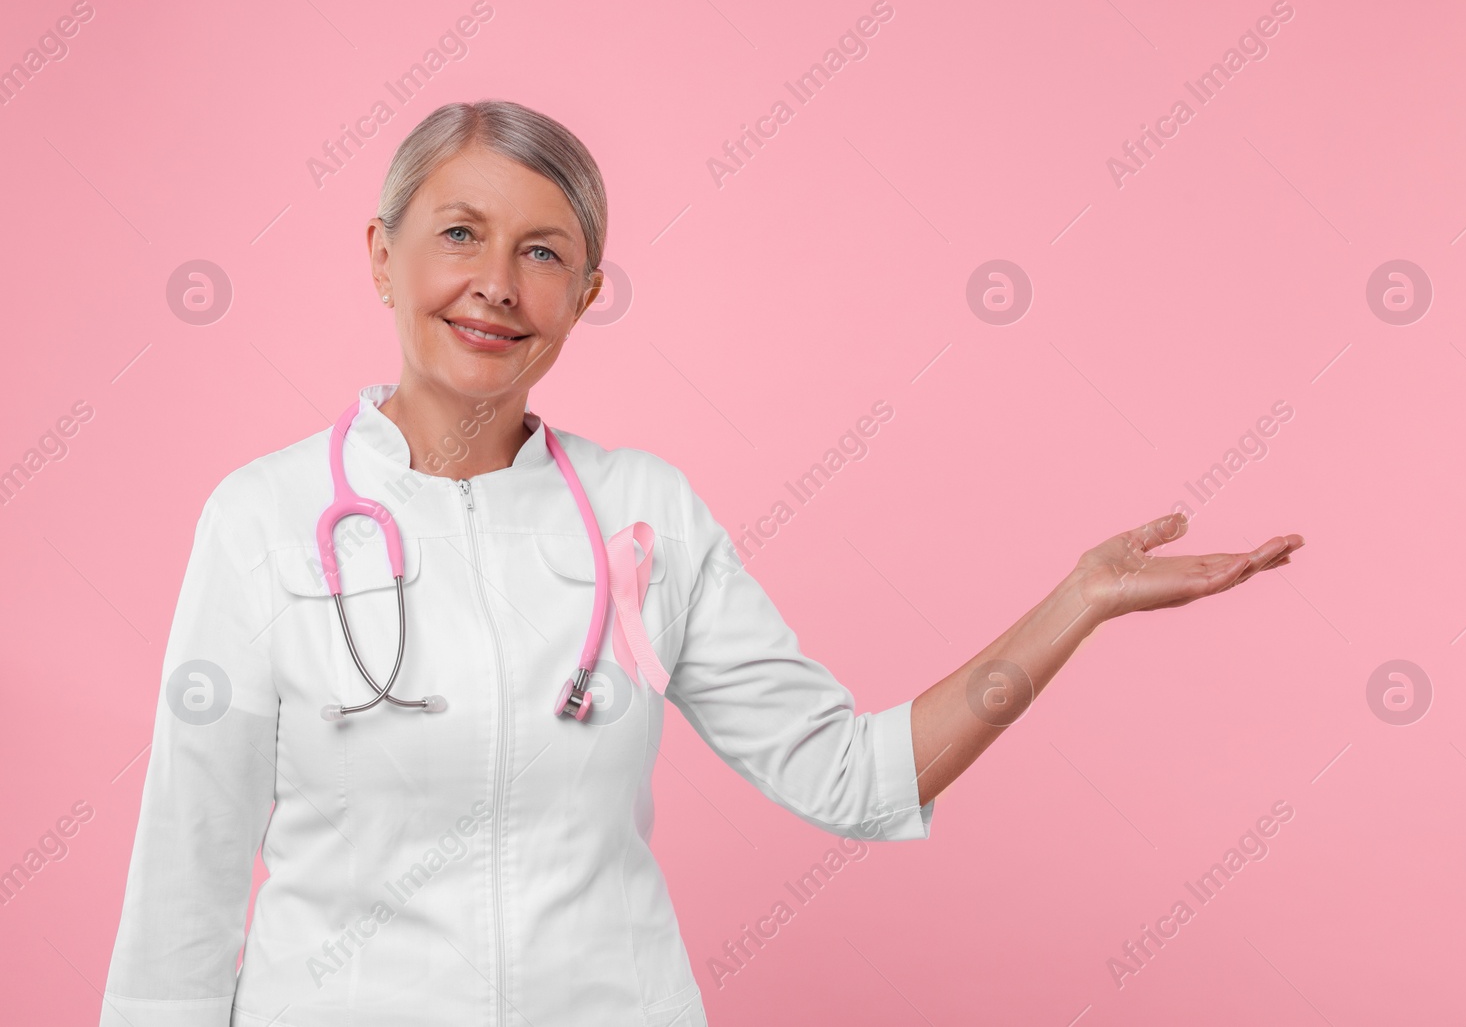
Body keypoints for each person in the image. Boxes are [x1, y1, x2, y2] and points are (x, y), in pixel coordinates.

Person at [98, 99, 1303, 1027]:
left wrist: (1077, 602)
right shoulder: (260, 519)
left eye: (544, 253)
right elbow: (186, 874)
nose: (496, 285)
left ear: (585, 293)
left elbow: (847, 772)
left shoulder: (644, 514)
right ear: (380, 253)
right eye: (459, 232)